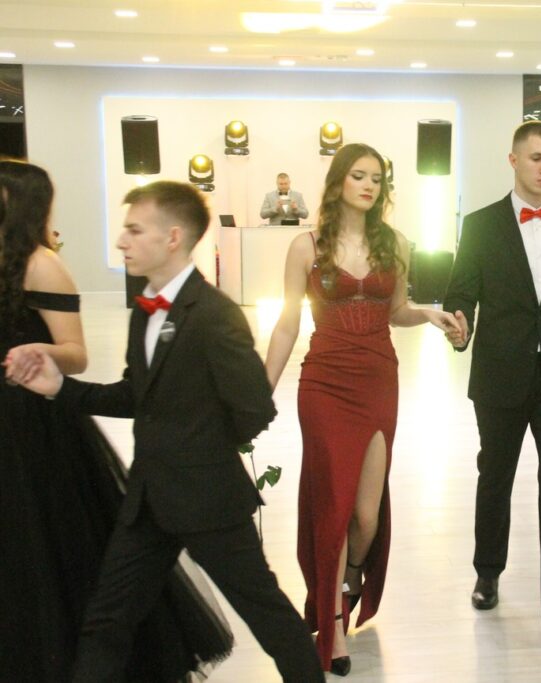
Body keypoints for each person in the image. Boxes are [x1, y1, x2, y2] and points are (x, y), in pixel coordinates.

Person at [7, 180, 323, 683]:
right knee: (106, 621)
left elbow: (254, 408)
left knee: (270, 618)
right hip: (149, 501)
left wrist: (195, 451)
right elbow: (135, 395)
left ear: (172, 237)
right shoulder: (146, 310)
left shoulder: (215, 315)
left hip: (208, 501)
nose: (121, 241)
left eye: (134, 230)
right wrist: (60, 388)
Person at [1, 162, 235, 682]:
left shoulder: (41, 265)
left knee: (42, 549)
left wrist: (38, 353)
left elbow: (76, 353)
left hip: (28, 425)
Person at [263, 143, 460, 675]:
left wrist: (429, 314)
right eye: (359, 175)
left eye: (377, 178)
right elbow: (287, 323)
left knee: (365, 514)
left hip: (377, 380)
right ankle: (332, 625)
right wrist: (260, 391)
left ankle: (350, 576)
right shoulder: (306, 246)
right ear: (338, 182)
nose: (370, 185)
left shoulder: (396, 244)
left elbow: (395, 310)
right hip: (324, 383)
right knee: (333, 509)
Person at [443, 120, 541, 656]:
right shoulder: (481, 225)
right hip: (500, 372)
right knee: (496, 476)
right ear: (513, 160)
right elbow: (462, 290)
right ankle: (487, 570)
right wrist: (461, 324)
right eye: (536, 158)